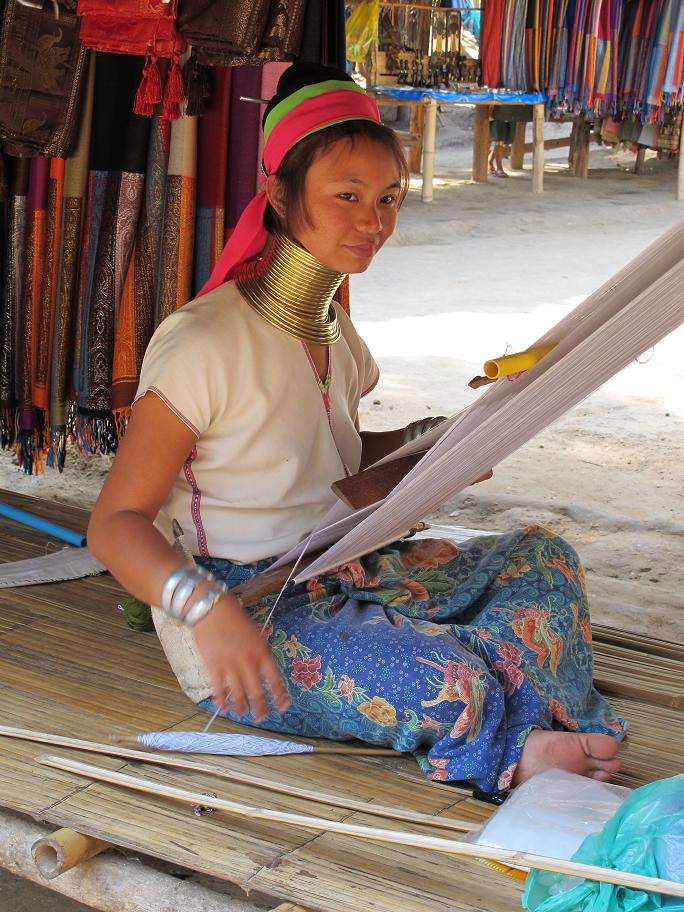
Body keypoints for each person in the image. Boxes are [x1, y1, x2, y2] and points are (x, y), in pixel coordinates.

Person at [88, 63, 626, 799]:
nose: (373, 221)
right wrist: (205, 610)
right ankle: (509, 736)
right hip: (248, 609)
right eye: (347, 196)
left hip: (347, 564)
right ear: (279, 194)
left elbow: (330, 458)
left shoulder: (336, 333)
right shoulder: (202, 344)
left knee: (544, 557)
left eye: (388, 198)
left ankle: (503, 703)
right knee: (448, 679)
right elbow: (114, 523)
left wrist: (434, 441)